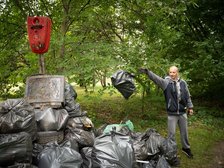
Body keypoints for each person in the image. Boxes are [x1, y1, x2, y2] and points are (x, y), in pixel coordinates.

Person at [139, 66, 194, 158]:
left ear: (177, 73)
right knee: (171, 134)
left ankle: (186, 148)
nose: (172, 74)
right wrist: (147, 72)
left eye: (174, 72)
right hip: (172, 113)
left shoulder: (183, 83)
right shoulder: (166, 83)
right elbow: (156, 78)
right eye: (170, 72)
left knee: (184, 132)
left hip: (182, 112)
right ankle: (172, 151)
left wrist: (190, 107)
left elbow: (187, 96)